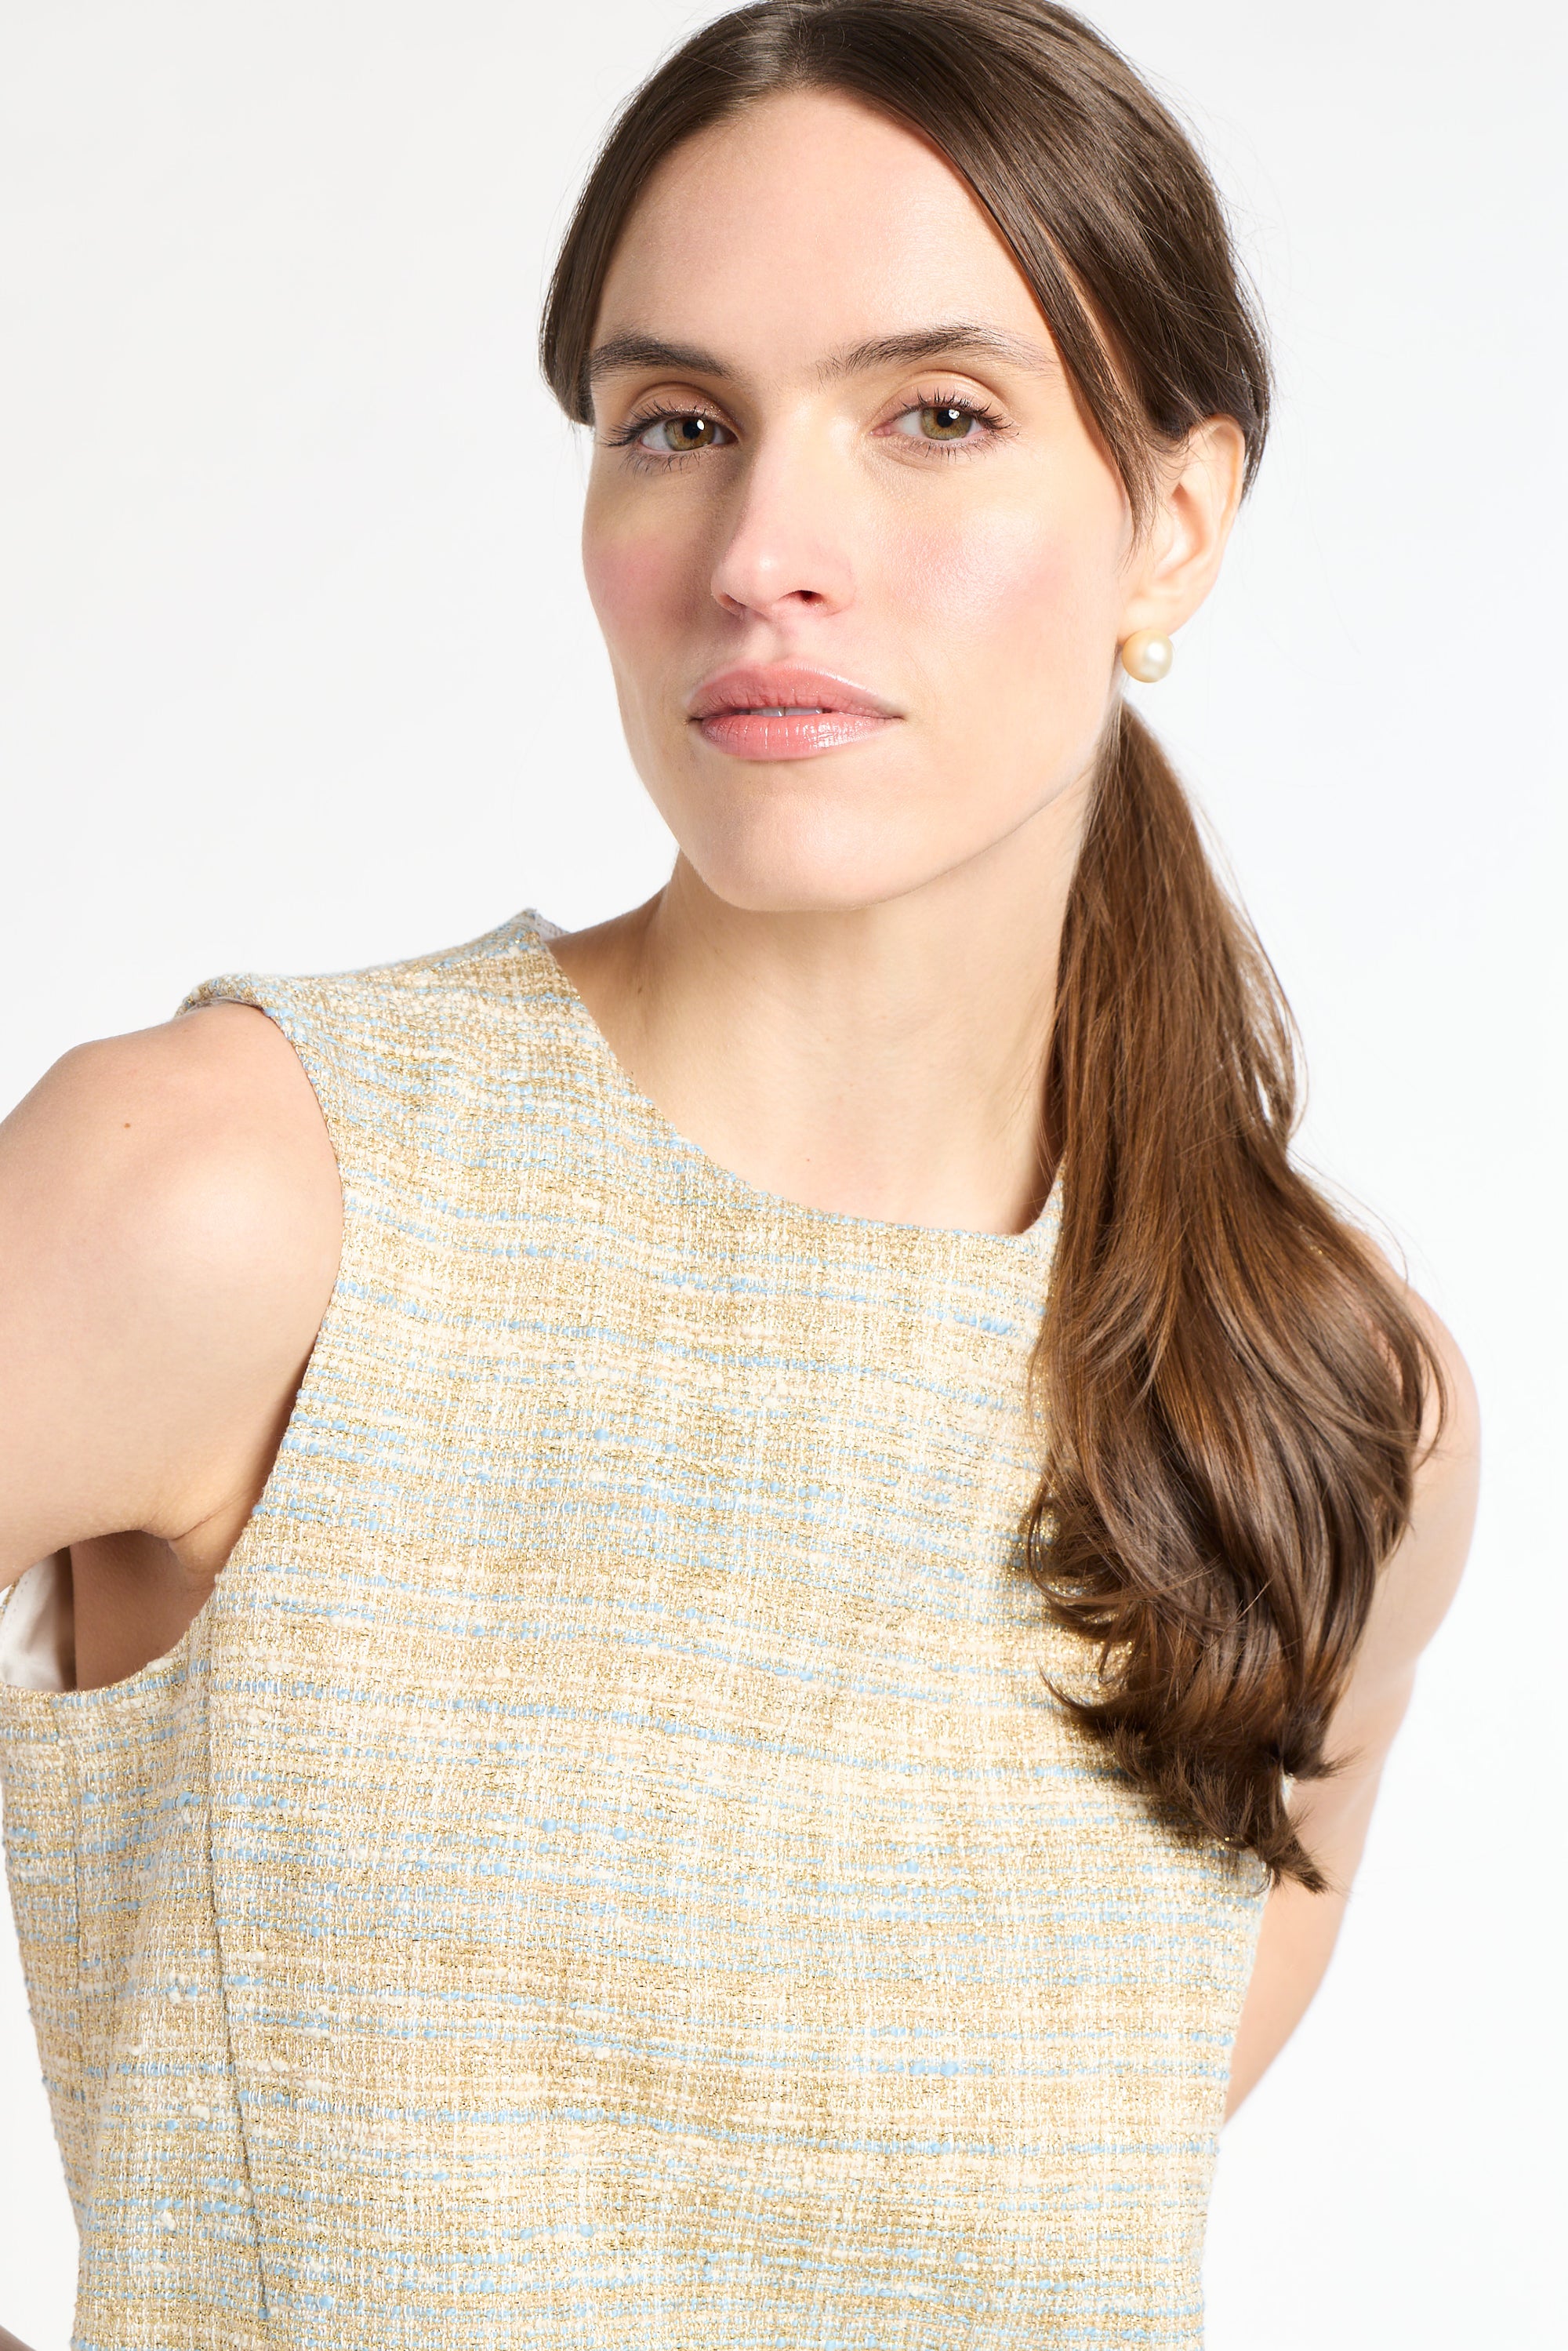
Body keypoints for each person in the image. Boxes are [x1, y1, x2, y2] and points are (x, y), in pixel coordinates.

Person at [0, 2, 1479, 2345]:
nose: (767, 553)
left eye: (937, 416)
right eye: (676, 424)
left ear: (1174, 522)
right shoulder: (252, 1195)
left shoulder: (1318, 1406)